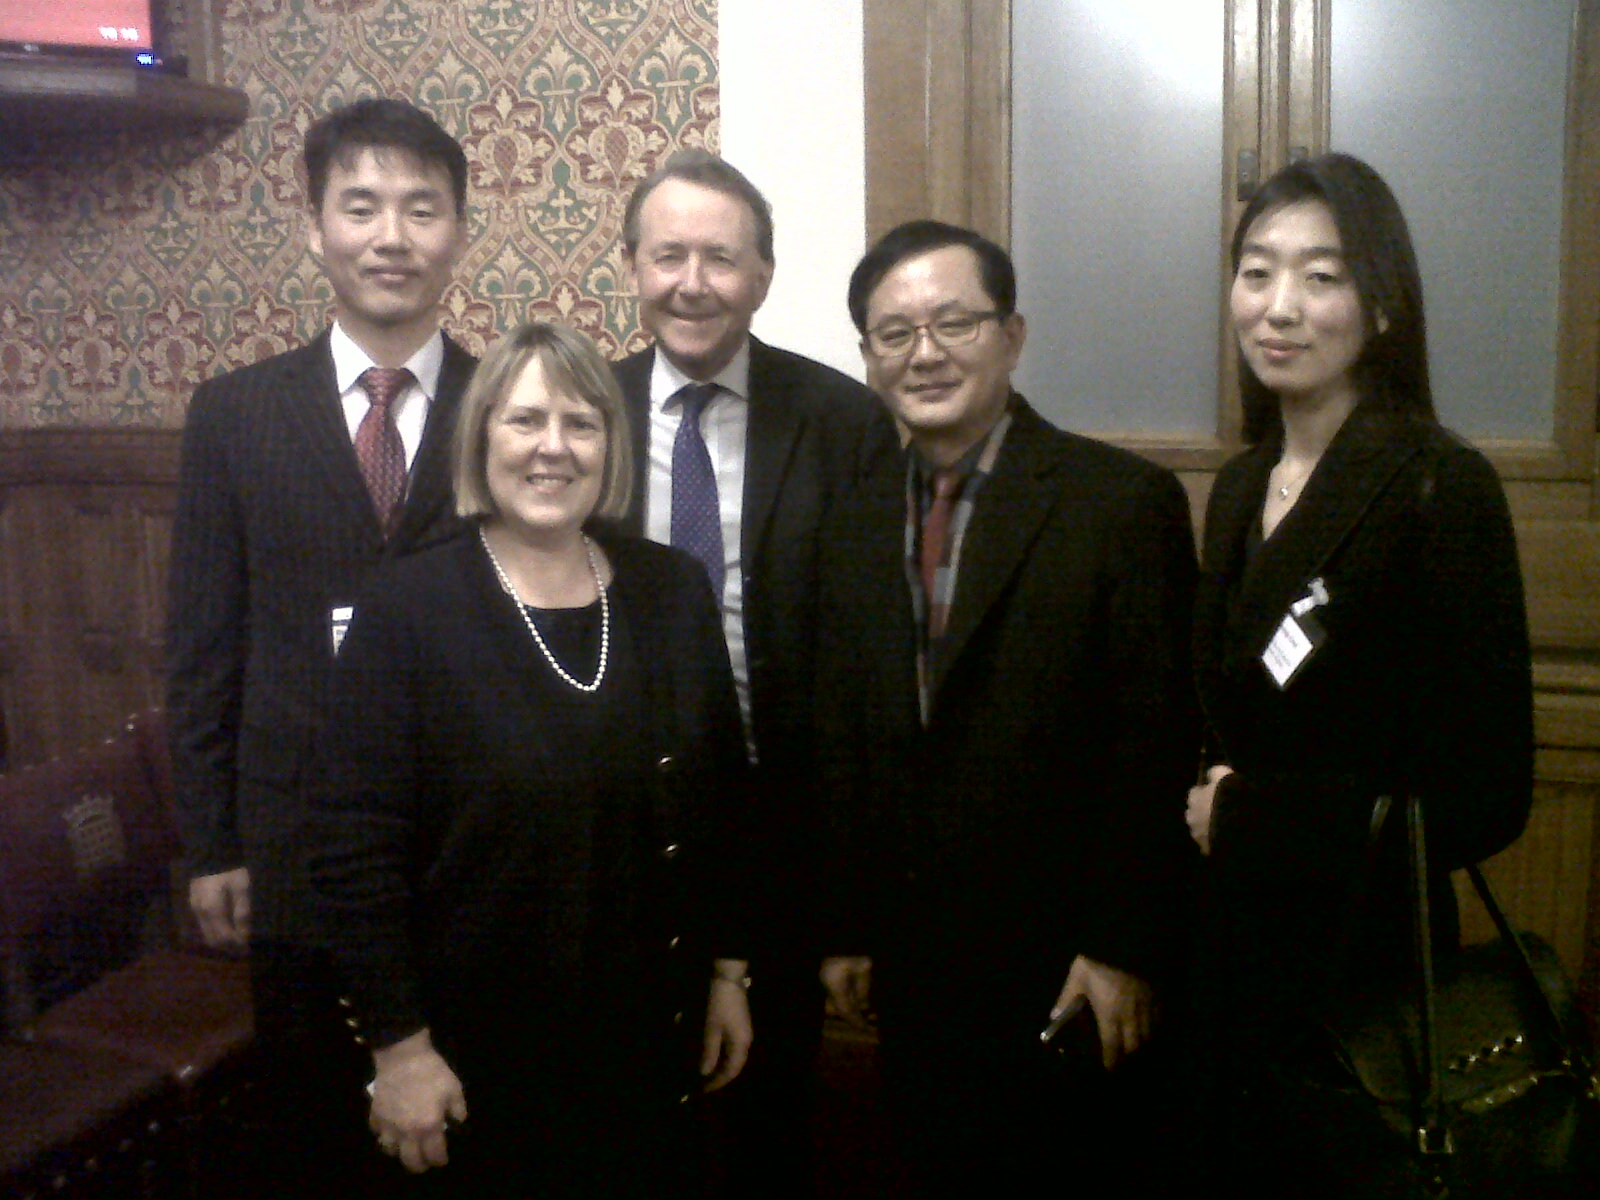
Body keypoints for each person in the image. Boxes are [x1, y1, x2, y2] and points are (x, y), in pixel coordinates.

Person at [311, 321, 754, 1195]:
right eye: (525, 421)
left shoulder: (671, 589)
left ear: (611, 445)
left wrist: (729, 973)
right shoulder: (406, 608)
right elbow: (352, 846)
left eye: (582, 423)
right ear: (482, 440)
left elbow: (723, 799)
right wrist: (399, 1049)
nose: (554, 447)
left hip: (647, 1033)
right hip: (478, 1058)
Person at [815, 219, 1199, 1194]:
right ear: (867, 358)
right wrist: (849, 926)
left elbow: (1153, 743)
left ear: (1012, 335)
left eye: (953, 321)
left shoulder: (1118, 504)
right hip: (916, 971)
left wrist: (1119, 950)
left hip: (1067, 971)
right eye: (893, 332)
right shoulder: (853, 513)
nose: (924, 352)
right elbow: (848, 735)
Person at [1184, 152, 1533, 1196]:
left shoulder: (1437, 486)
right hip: (1224, 959)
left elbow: (1486, 796)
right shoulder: (1241, 484)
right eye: (1256, 271)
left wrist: (1251, 817)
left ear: (1380, 305)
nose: (1277, 307)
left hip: (1360, 977)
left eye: (1320, 276)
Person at [164, 97, 476, 1191]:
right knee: (311, 1140)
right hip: (291, 846)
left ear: (458, 232)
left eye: (421, 209)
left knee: (461, 1135)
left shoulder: (509, 412)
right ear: (315, 228)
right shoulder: (235, 414)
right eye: (361, 206)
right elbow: (204, 644)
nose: (391, 235)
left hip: (463, 852)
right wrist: (212, 842)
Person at [612, 149, 885, 1195]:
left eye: (720, 258)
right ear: (631, 267)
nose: (692, 281)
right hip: (620, 807)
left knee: (771, 1101)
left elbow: (865, 656)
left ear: (763, 274)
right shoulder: (577, 413)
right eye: (667, 254)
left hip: (778, 814)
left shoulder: (841, 422)